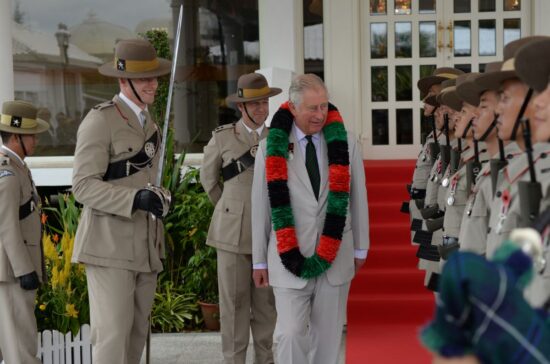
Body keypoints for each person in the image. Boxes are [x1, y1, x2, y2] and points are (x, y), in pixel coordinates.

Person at [251, 73, 370, 364]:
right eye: (312, 108)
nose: (320, 115)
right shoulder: (270, 148)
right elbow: (261, 205)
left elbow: (358, 196)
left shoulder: (347, 143)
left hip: (336, 257)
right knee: (289, 334)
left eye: (324, 107)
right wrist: (259, 261)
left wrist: (360, 247)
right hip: (287, 257)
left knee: (327, 341)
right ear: (293, 108)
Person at [71, 38, 170, 364]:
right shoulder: (100, 121)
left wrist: (158, 197)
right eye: (144, 78)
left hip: (144, 247)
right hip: (109, 246)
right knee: (112, 340)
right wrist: (136, 199)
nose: (153, 84)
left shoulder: (151, 123)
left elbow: (146, 180)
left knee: (134, 340)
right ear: (122, 80)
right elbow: (83, 186)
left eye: (154, 77)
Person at [200, 72, 281, 364]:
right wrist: (229, 208)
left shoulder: (277, 139)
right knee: (233, 306)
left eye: (265, 103)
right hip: (231, 235)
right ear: (241, 107)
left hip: (268, 235)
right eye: (255, 103)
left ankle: (265, 359)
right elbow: (208, 180)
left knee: (265, 307)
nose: (262, 108)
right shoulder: (222, 138)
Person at [0, 100, 49, 364]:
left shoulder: (16, 167)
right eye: (32, 134)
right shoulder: (7, 172)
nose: (36, 140)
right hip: (12, 274)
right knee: (21, 350)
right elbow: (6, 225)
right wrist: (24, 270)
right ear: (17, 136)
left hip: (10, 272)